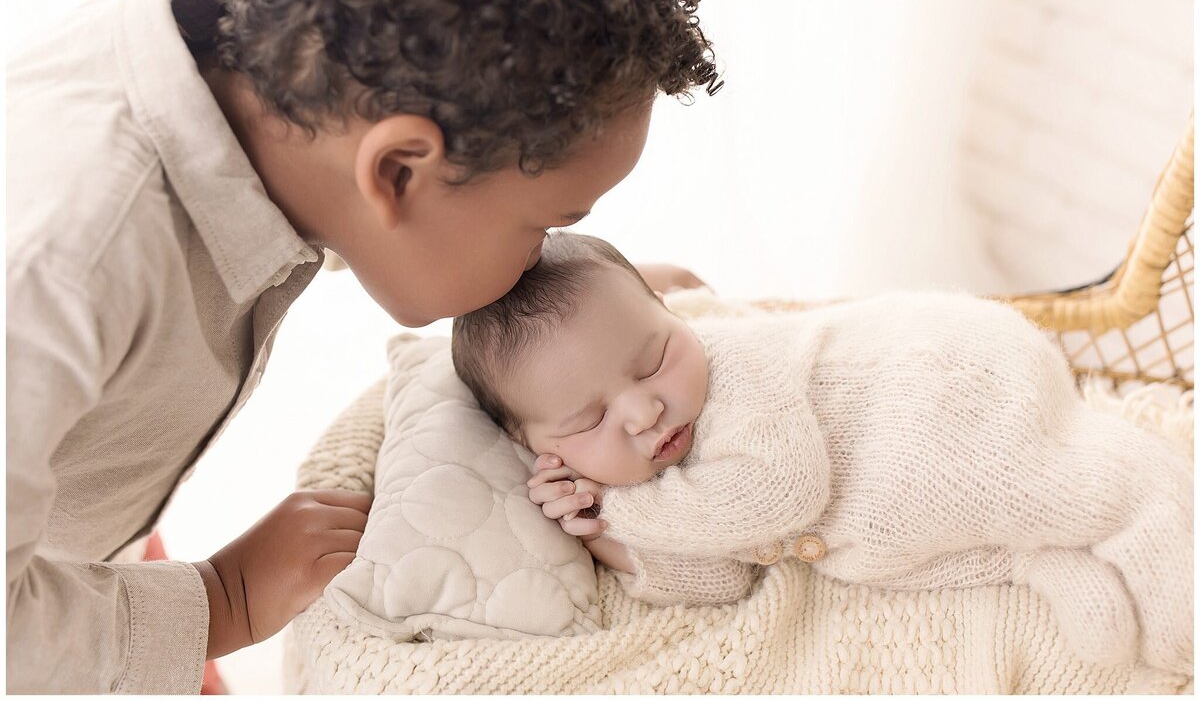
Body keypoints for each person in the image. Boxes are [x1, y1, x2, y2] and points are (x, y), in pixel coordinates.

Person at [6, 0, 718, 693]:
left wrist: (594, 308)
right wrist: (218, 604)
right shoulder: (61, 273)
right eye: (544, 226)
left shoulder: (272, 95)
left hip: (75, 533)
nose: (536, 255)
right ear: (396, 171)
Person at [451, 232, 1194, 676]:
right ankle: (1041, 557)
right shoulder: (645, 477)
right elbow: (715, 576)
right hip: (898, 521)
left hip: (942, 386)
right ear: (535, 444)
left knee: (1063, 481)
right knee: (938, 541)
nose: (645, 409)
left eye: (654, 358)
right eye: (590, 418)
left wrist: (625, 503)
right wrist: (603, 536)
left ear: (672, 315)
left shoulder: (738, 368)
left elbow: (773, 496)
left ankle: (1137, 498)